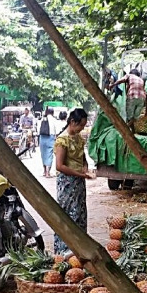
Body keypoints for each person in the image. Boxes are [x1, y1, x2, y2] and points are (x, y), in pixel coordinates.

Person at [53, 108, 91, 253]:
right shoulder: (62, 140)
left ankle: (79, 249)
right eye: (81, 125)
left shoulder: (79, 139)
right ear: (72, 122)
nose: (82, 128)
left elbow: (83, 159)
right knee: (68, 214)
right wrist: (79, 174)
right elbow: (60, 165)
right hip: (67, 182)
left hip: (79, 182)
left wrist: (85, 169)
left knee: (80, 213)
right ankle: (64, 251)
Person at [39, 107, 58, 177]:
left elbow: (38, 129)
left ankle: (44, 171)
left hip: (42, 137)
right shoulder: (54, 120)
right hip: (51, 137)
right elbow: (57, 131)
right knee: (49, 154)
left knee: (43, 155)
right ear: (52, 112)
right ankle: (48, 172)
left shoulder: (42, 119)